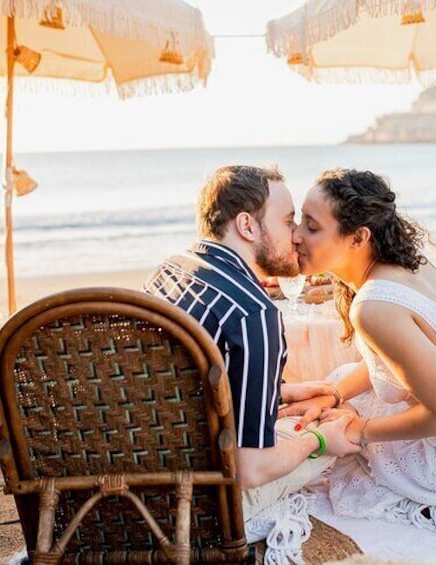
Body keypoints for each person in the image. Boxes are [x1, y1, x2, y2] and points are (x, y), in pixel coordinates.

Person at [285, 168, 436, 545]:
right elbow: (399, 361)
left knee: (340, 443)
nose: (295, 236)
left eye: (311, 226)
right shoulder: (409, 263)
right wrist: (336, 393)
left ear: (358, 237)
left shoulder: (374, 306)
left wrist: (360, 432)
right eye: (297, 222)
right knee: (341, 384)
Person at [144, 165, 358, 523]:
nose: (296, 236)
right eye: (289, 222)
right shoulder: (252, 314)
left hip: (138, 472)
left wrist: (279, 391)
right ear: (247, 226)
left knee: (309, 404)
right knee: (339, 419)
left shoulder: (169, 270)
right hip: (196, 507)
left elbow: (185, 381)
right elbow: (250, 470)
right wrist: (318, 441)